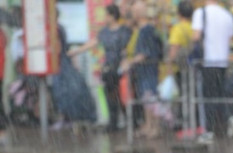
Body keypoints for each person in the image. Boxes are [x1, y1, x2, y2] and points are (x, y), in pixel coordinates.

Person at [68, 4, 132, 132]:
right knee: (110, 95)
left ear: (113, 16)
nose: (105, 18)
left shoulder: (124, 31)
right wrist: (76, 51)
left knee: (123, 95)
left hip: (121, 67)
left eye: (107, 15)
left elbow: (127, 48)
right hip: (109, 68)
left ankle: (128, 121)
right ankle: (113, 122)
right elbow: (93, 43)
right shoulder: (105, 32)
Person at [191, 0, 233, 139]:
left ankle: (209, 130)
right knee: (220, 95)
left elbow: (196, 36)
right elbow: (230, 39)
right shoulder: (227, 15)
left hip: (207, 61)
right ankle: (224, 125)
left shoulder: (200, 13)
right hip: (222, 62)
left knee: (208, 97)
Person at [120, 1, 163, 139]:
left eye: (132, 12)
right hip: (144, 71)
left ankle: (154, 127)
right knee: (147, 99)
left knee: (150, 99)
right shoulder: (142, 30)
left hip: (148, 70)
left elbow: (145, 53)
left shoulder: (147, 30)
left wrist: (130, 62)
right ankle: (149, 125)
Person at [165, 0, 194, 130]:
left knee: (181, 96)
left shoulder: (177, 28)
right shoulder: (193, 27)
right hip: (191, 68)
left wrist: (169, 66)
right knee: (190, 95)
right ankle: (191, 121)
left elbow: (174, 49)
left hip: (180, 68)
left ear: (179, 13)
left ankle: (182, 123)